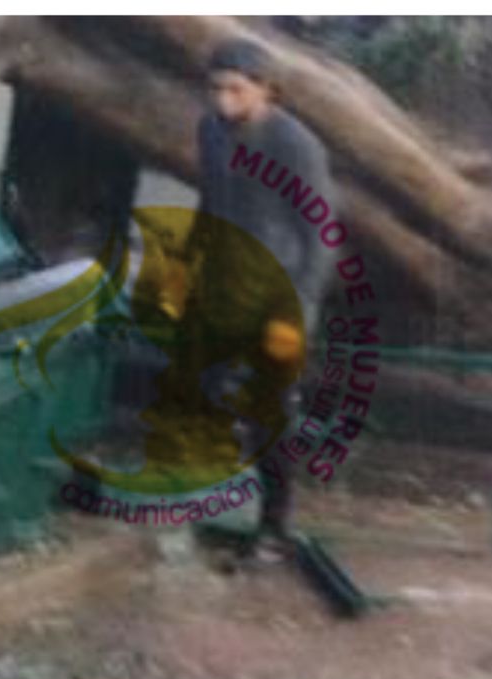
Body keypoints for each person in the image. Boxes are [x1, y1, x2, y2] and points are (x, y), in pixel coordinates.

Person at [191, 39, 334, 544]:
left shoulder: (296, 145)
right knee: (203, 390)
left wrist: (299, 306)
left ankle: (276, 520)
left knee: (269, 409)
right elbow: (210, 201)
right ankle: (215, 500)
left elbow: (319, 232)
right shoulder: (209, 130)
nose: (223, 101)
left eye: (235, 90)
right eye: (215, 89)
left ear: (266, 90)